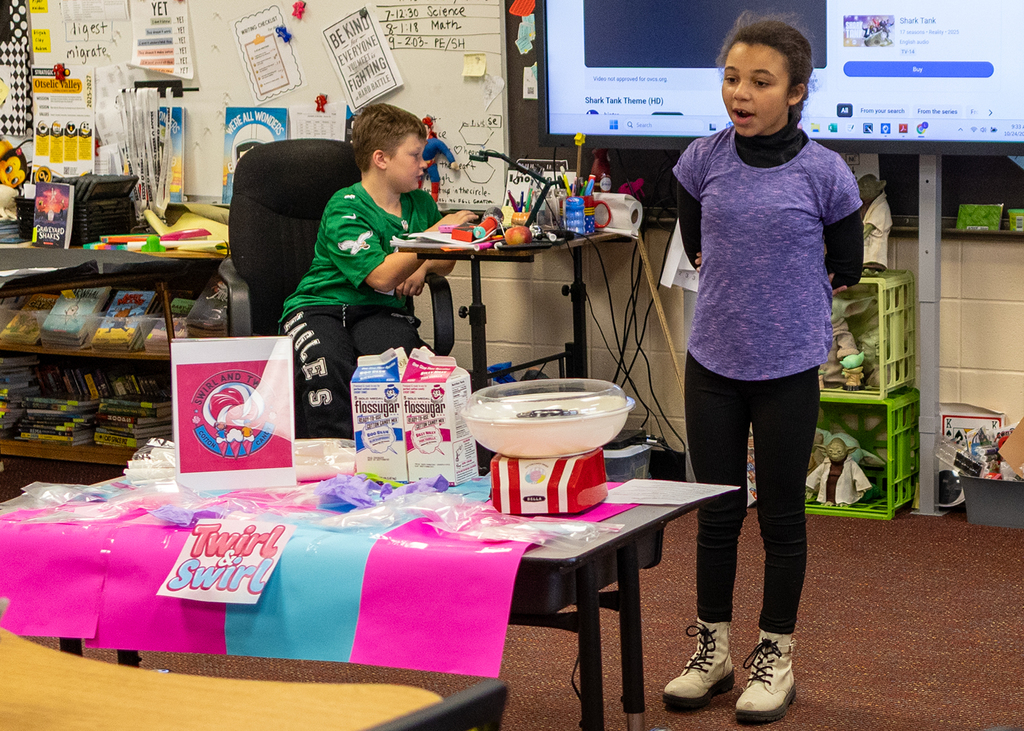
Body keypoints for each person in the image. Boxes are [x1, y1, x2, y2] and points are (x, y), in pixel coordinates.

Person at [663, 13, 863, 724]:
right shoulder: (700, 160)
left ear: (798, 92)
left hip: (786, 369)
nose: (740, 94)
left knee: (781, 515)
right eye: (731, 79)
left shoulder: (826, 172)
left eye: (760, 82)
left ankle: (775, 655)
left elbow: (848, 265)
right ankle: (712, 649)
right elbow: (695, 244)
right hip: (713, 362)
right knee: (716, 513)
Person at [279, 103, 475, 439]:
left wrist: (423, 262)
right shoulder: (345, 207)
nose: (424, 163)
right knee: (329, 362)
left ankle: (391, 460)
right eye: (414, 155)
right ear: (381, 159)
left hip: (378, 311)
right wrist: (433, 238)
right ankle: (333, 462)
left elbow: (446, 260)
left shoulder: (420, 203)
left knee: (397, 359)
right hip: (318, 308)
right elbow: (382, 276)